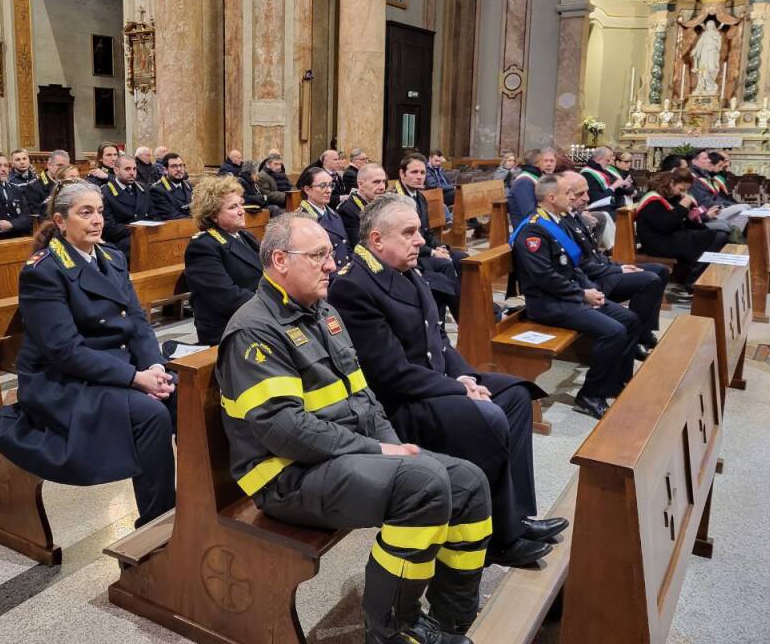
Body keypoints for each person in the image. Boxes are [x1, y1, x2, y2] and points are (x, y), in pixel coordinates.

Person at [217, 212, 491, 643]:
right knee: (423, 485)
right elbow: (284, 429)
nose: (332, 265)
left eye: (330, 253)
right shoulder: (255, 330)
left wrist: (395, 449)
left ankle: (450, 618)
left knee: (469, 481)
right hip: (285, 474)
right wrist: (380, 454)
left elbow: (364, 397)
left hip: (334, 458)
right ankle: (390, 631)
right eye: (319, 255)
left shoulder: (323, 312)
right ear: (280, 261)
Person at [330, 194, 565, 569]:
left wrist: (466, 376)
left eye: (418, 232)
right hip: (398, 406)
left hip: (433, 384)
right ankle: (496, 538)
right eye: (408, 233)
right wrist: (460, 390)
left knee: (518, 395)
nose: (420, 240)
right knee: (487, 417)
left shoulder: (408, 270)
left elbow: (438, 340)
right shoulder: (354, 286)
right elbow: (390, 374)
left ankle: (516, 516)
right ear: (377, 240)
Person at [0, 180, 176, 528]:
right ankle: (157, 526)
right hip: (63, 382)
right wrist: (135, 378)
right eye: (85, 213)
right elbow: (65, 351)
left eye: (100, 212)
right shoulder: (43, 270)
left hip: (117, 368)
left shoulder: (112, 256)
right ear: (60, 222)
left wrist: (154, 365)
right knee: (153, 414)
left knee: (189, 393)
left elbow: (136, 320)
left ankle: (198, 508)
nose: (96, 220)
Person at [511, 173, 642, 420]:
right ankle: (590, 396)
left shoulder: (557, 221)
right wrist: (581, 294)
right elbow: (544, 277)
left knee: (631, 320)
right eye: (566, 193)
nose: (571, 197)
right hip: (547, 304)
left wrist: (588, 288)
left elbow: (574, 266)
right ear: (551, 197)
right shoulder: (533, 230)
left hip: (568, 296)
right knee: (613, 331)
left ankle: (616, 383)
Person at [562, 171, 668, 358]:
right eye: (580, 194)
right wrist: (617, 269)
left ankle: (644, 331)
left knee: (660, 270)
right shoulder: (560, 223)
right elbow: (582, 266)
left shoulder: (576, 216)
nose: (586, 199)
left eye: (586, 193)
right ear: (565, 193)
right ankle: (636, 338)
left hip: (601, 271)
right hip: (594, 280)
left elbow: (595, 255)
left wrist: (617, 265)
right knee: (649, 280)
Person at [183, 176, 262, 345]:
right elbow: (227, 298)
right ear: (213, 215)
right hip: (229, 328)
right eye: (233, 207)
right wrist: (272, 303)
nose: (242, 210)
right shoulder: (203, 247)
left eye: (241, 203)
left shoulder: (244, 236)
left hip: (255, 317)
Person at [395, 152, 467, 319]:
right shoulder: (397, 200)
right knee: (446, 264)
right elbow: (404, 239)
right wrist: (433, 252)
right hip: (410, 255)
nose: (419, 177)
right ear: (402, 174)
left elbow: (427, 232)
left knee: (463, 258)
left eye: (422, 173)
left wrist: (439, 247)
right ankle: (461, 318)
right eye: (414, 172)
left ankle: (468, 307)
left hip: (424, 248)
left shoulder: (420, 197)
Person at [635, 168, 730, 293]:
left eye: (685, 190)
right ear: (672, 183)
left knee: (718, 235)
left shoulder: (668, 195)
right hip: (657, 243)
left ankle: (696, 276)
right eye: (681, 189)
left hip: (670, 237)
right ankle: (694, 279)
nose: (683, 193)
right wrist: (682, 206)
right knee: (717, 237)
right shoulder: (652, 200)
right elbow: (665, 225)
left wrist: (691, 217)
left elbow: (678, 221)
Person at [295, 166, 350, 270]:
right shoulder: (303, 220)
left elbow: (347, 248)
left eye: (330, 185)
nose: (329, 190)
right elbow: (310, 261)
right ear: (307, 190)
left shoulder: (334, 214)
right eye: (323, 186)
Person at [93, 154, 147, 254]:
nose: (132, 173)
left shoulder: (142, 188)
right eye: (127, 169)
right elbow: (109, 228)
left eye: (134, 169)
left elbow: (154, 216)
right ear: (116, 171)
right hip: (119, 243)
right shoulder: (105, 193)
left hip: (144, 237)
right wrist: (137, 229)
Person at [688, 149, 748, 237]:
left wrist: (728, 205)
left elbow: (718, 196)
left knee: (745, 210)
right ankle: (734, 237)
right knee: (744, 209)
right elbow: (704, 200)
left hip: (714, 207)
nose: (708, 160)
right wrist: (722, 206)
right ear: (694, 161)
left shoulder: (704, 175)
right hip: (708, 210)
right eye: (705, 158)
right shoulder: (694, 177)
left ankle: (735, 235)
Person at [338, 162, 388, 246]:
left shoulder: (381, 204)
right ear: (360, 184)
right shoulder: (348, 211)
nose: (382, 187)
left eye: (383, 182)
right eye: (376, 182)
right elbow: (359, 246)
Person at [508, 148, 556, 227]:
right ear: (536, 163)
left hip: (541, 224)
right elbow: (529, 214)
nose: (549, 164)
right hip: (529, 230)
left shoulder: (538, 177)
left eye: (552, 161)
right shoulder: (524, 181)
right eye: (545, 161)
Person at [149, 152, 194, 220]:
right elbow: (172, 216)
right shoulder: (157, 190)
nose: (179, 169)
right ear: (165, 170)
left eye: (181, 165)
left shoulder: (188, 186)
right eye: (174, 166)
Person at [26, 149, 71, 216]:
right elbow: (36, 216)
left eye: (66, 167)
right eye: (59, 165)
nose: (63, 169)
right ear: (49, 165)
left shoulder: (70, 183)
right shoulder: (34, 186)